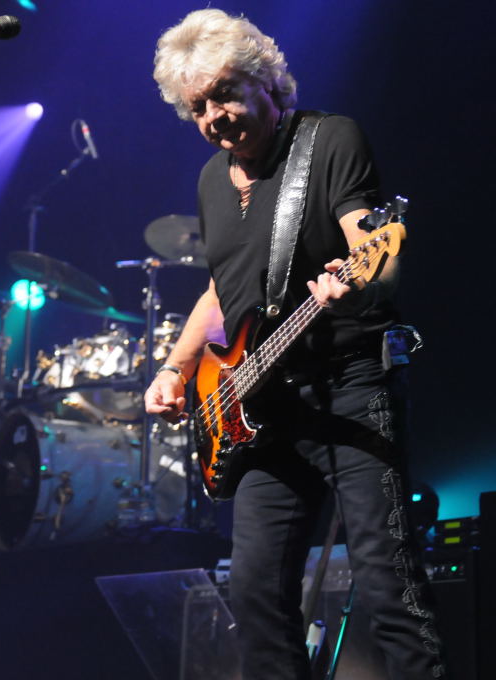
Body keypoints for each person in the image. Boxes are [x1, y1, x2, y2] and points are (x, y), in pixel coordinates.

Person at [144, 9, 444, 679]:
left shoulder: (329, 139)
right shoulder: (210, 181)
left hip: (349, 388)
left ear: (266, 81)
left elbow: (376, 249)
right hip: (261, 411)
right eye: (197, 108)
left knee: (387, 584)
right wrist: (175, 367)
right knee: (253, 597)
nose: (213, 117)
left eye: (224, 94)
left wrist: (357, 285)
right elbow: (222, 292)